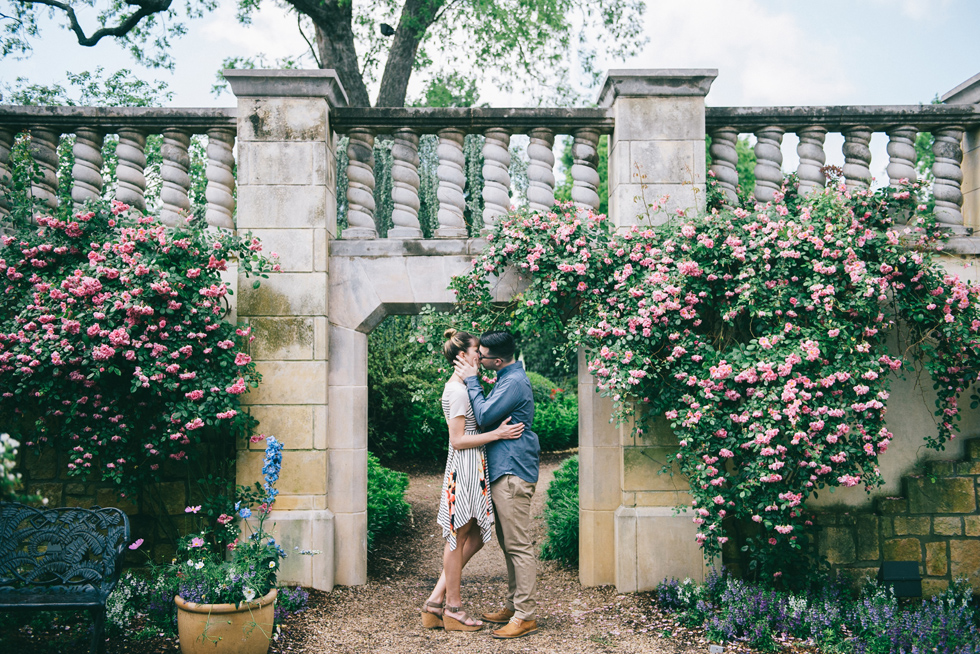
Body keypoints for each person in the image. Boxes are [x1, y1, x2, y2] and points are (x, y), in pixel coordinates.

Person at [421, 328, 525, 632]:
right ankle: (453, 608)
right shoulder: (456, 391)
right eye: (476, 350)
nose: (480, 355)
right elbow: (457, 440)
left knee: (477, 534)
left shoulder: (464, 386)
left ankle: (435, 601)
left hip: (474, 465)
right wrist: (498, 434)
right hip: (465, 466)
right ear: (462, 355)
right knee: (457, 537)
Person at [454, 330, 540, 639]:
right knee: (509, 544)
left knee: (518, 545)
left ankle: (525, 616)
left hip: (513, 471)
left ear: (498, 360)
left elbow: (484, 416)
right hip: (506, 470)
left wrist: (472, 381)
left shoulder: (513, 382)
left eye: (482, 355)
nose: (478, 358)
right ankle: (514, 605)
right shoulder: (507, 378)